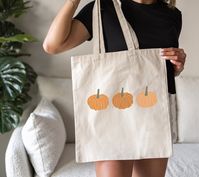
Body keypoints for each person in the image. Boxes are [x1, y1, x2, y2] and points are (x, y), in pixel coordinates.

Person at [43, 0, 187, 176]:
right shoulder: (102, 7)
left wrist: (177, 66)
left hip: (152, 115)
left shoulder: (172, 15)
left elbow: (156, 69)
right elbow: (52, 45)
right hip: (113, 115)